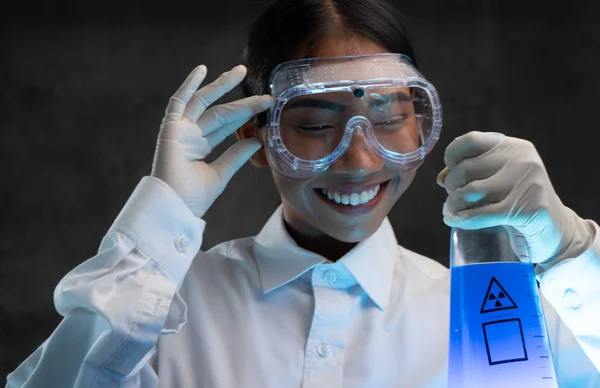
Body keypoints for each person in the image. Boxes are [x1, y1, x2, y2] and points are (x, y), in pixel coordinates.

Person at [6, 0, 600, 386]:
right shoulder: (159, 311)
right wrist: (158, 223)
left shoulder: (493, 316)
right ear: (256, 135)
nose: (361, 160)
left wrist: (570, 254)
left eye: (389, 117)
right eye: (317, 125)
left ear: (421, 122)